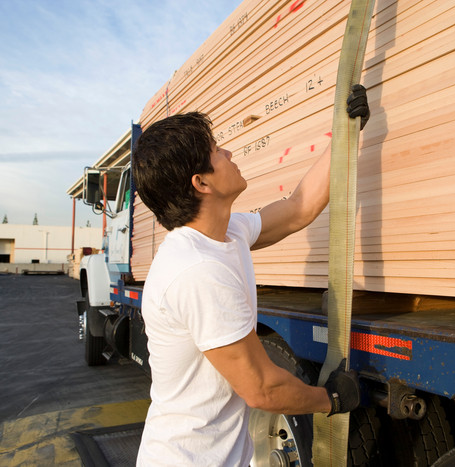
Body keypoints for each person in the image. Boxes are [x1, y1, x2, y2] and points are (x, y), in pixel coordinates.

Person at [133, 85, 370, 466]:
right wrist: (331, 400)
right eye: (217, 151)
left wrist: (346, 132)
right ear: (202, 183)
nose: (228, 153)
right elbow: (261, 389)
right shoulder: (197, 270)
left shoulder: (225, 232)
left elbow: (298, 208)